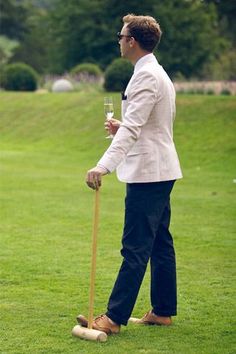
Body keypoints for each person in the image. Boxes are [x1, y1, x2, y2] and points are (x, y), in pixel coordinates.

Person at [78, 13, 182, 335]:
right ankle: (162, 311)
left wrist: (102, 165)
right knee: (159, 243)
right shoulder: (154, 72)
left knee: (135, 246)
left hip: (149, 173)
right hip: (159, 169)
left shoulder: (146, 76)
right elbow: (146, 126)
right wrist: (122, 126)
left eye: (121, 36)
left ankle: (112, 318)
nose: (120, 41)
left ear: (132, 41)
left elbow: (136, 129)